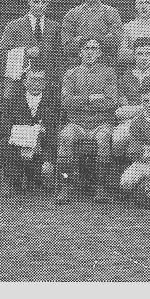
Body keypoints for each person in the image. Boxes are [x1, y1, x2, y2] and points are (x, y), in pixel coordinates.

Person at [55, 37, 119, 204]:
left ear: (99, 53)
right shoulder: (71, 74)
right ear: (80, 52)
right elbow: (65, 102)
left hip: (101, 122)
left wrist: (81, 102)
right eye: (86, 48)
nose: (90, 52)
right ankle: (65, 184)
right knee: (65, 138)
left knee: (104, 139)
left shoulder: (108, 73)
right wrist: (90, 98)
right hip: (77, 122)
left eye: (94, 49)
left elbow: (111, 102)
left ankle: (101, 187)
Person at [0, 68, 57, 196]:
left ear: (45, 83)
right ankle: (13, 182)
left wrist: (39, 142)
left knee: (46, 170)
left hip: (42, 148)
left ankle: (38, 179)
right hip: (18, 147)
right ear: (25, 82)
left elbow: (54, 130)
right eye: (33, 79)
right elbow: (4, 127)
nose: (37, 83)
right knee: (4, 143)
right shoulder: (13, 100)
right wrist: (26, 140)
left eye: (40, 80)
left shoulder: (52, 102)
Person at [0, 0, 60, 100]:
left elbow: (59, 56)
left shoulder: (54, 27)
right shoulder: (14, 26)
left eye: (43, 2)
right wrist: (25, 52)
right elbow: (0, 55)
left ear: (48, 3)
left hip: (45, 87)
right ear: (29, 2)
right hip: (18, 86)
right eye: (36, 1)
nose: (40, 5)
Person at [112, 37, 150, 164]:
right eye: (140, 54)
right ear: (134, 54)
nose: (144, 58)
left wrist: (134, 110)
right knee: (117, 139)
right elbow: (121, 112)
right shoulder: (125, 77)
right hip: (128, 122)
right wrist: (146, 108)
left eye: (148, 53)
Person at [61, 0, 122, 65]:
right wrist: (102, 38)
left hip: (104, 65)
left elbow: (116, 41)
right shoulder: (72, 14)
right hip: (78, 67)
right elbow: (67, 46)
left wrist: (80, 39)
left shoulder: (111, 13)